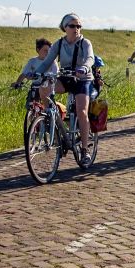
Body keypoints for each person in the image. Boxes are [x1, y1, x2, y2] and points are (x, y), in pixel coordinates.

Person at [34, 14, 96, 163]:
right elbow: (47, 61)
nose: (76, 29)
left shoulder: (85, 43)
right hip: (65, 77)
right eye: (73, 26)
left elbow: (90, 58)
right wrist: (37, 73)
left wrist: (84, 68)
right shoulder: (59, 44)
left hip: (82, 79)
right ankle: (49, 115)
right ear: (65, 27)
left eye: (79, 26)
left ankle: (85, 150)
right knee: (44, 86)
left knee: (81, 111)